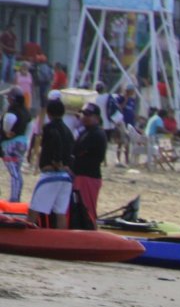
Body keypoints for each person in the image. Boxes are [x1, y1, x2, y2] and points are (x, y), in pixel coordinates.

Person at [27, 99, 74, 229]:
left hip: (51, 174)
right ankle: (61, 241)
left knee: (33, 210)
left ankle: (26, 238)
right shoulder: (68, 130)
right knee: (60, 213)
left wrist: (56, 162)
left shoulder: (50, 128)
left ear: (48, 113)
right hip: (66, 177)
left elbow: (56, 142)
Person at [71, 103, 107, 229]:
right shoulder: (85, 131)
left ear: (96, 117)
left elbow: (77, 150)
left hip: (89, 177)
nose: (84, 117)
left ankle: (90, 233)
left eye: (88, 115)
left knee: (87, 211)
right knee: (78, 209)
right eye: (83, 114)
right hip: (81, 176)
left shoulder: (96, 133)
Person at [3, 88, 31, 201]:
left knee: (14, 173)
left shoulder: (12, 113)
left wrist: (5, 134)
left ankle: (14, 199)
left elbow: (6, 129)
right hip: (22, 143)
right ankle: (17, 197)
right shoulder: (26, 113)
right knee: (17, 172)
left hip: (10, 145)